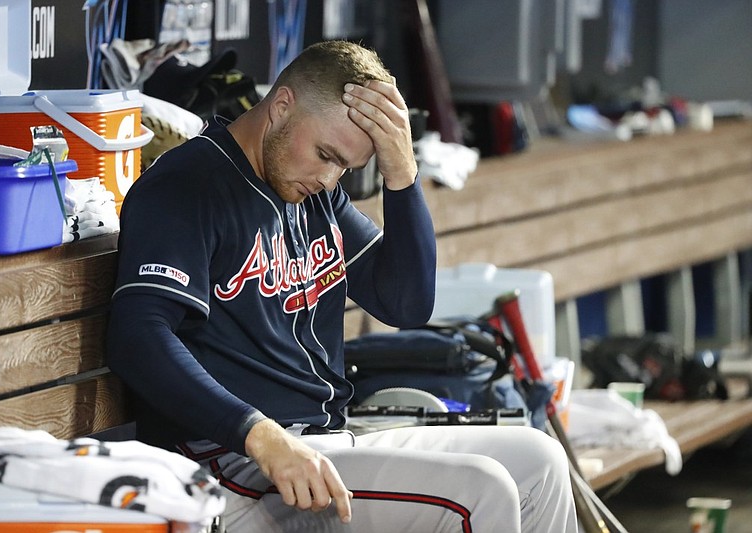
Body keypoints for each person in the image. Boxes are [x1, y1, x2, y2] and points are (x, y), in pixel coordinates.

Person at [107, 40, 578, 532]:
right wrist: (259, 435)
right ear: (282, 105)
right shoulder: (189, 185)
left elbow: (406, 303)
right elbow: (139, 336)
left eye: (345, 168)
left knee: (540, 461)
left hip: (327, 440)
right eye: (326, 155)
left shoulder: (314, 193)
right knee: (481, 489)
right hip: (233, 461)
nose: (330, 177)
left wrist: (402, 174)